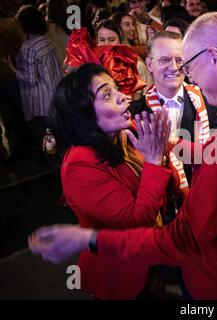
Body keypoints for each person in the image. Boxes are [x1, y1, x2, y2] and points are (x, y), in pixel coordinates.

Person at [29, 12, 217, 299]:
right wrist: (171, 146)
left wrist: (89, 239)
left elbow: (181, 238)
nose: (189, 76)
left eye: (189, 65)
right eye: (106, 94)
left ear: (214, 57)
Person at [44, 63, 172, 299]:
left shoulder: (121, 133)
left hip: (152, 255)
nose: (123, 97)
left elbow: (169, 148)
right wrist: (154, 160)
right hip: (123, 272)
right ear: (84, 114)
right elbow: (134, 222)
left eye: (116, 89)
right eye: (107, 94)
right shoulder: (79, 165)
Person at [3, 5, 62, 150]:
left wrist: (12, 68)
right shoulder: (47, 40)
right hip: (55, 96)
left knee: (46, 143)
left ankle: (54, 169)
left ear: (23, 25)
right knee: (59, 140)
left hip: (39, 104)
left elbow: (30, 79)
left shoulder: (28, 47)